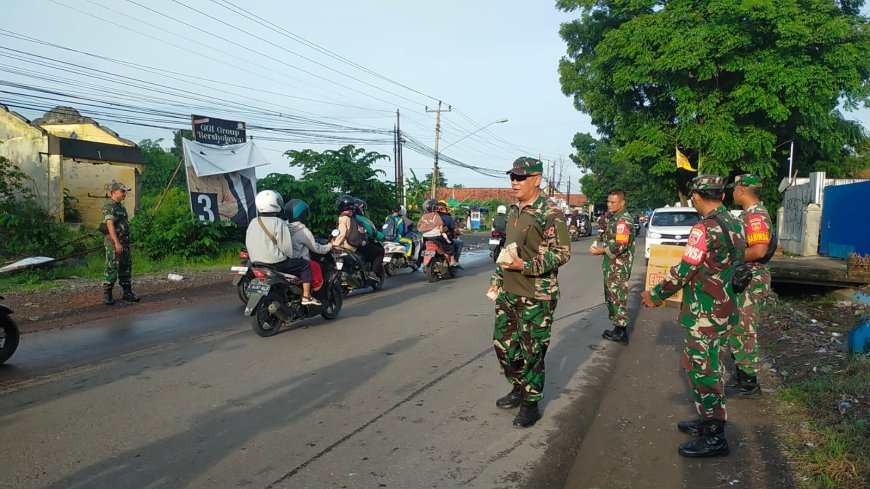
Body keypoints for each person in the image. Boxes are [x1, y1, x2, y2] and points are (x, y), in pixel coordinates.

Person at [641, 175, 746, 458]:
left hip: (705, 313)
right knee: (710, 365)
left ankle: (714, 436)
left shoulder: (704, 228)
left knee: (703, 370)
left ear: (697, 197)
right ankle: (707, 418)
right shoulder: (735, 222)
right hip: (725, 308)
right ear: (721, 195)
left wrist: (655, 294)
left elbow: (685, 269)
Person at [487, 156, 571, 428]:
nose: (515, 182)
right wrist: (496, 279)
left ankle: (530, 403)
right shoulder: (514, 210)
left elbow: (562, 253)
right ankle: (518, 386)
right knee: (504, 347)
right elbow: (507, 249)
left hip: (537, 295)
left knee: (533, 352)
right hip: (508, 292)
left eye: (521, 177)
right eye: (513, 176)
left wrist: (525, 266)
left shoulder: (550, 212)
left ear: (537, 179)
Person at [724, 174, 772, 398]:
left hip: (751, 280)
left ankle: (749, 384)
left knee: (744, 330)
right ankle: (742, 377)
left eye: (734, 189)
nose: (733, 193)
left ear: (742, 190)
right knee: (737, 327)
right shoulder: (749, 214)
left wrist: (730, 257)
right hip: (746, 277)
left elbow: (759, 250)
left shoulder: (755, 216)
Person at [246, 190, 320, 306]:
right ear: (273, 203)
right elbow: (286, 247)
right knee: (305, 265)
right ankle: (306, 296)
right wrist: (291, 256)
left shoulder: (253, 221)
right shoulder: (279, 222)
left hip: (256, 262)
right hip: (276, 263)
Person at [589, 190, 636, 344]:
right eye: (608, 201)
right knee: (611, 295)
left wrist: (602, 251)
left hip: (618, 266)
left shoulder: (623, 221)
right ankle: (617, 327)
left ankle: (621, 331)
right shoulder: (615, 218)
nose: (609, 205)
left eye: (613, 202)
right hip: (613, 265)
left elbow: (621, 244)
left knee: (617, 296)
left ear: (622, 203)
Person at [101, 182, 139, 305]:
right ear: (114, 192)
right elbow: (110, 225)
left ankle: (127, 293)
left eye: (125, 191)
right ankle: (107, 294)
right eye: (122, 191)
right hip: (114, 243)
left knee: (125, 266)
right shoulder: (109, 206)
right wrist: (116, 242)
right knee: (112, 266)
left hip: (124, 242)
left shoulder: (121, 208)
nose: (124, 194)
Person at [284, 199, 332, 293]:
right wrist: (329, 246)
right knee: (316, 267)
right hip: (299, 260)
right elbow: (316, 248)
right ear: (303, 214)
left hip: (285, 259)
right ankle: (314, 292)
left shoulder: (283, 225)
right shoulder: (303, 230)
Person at [417, 199, 457, 265]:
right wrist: (445, 229)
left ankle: (419, 262)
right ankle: (452, 261)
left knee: (422, 248)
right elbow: (441, 230)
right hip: (436, 237)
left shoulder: (422, 217)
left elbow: (418, 226)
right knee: (450, 245)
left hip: (425, 237)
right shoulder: (436, 216)